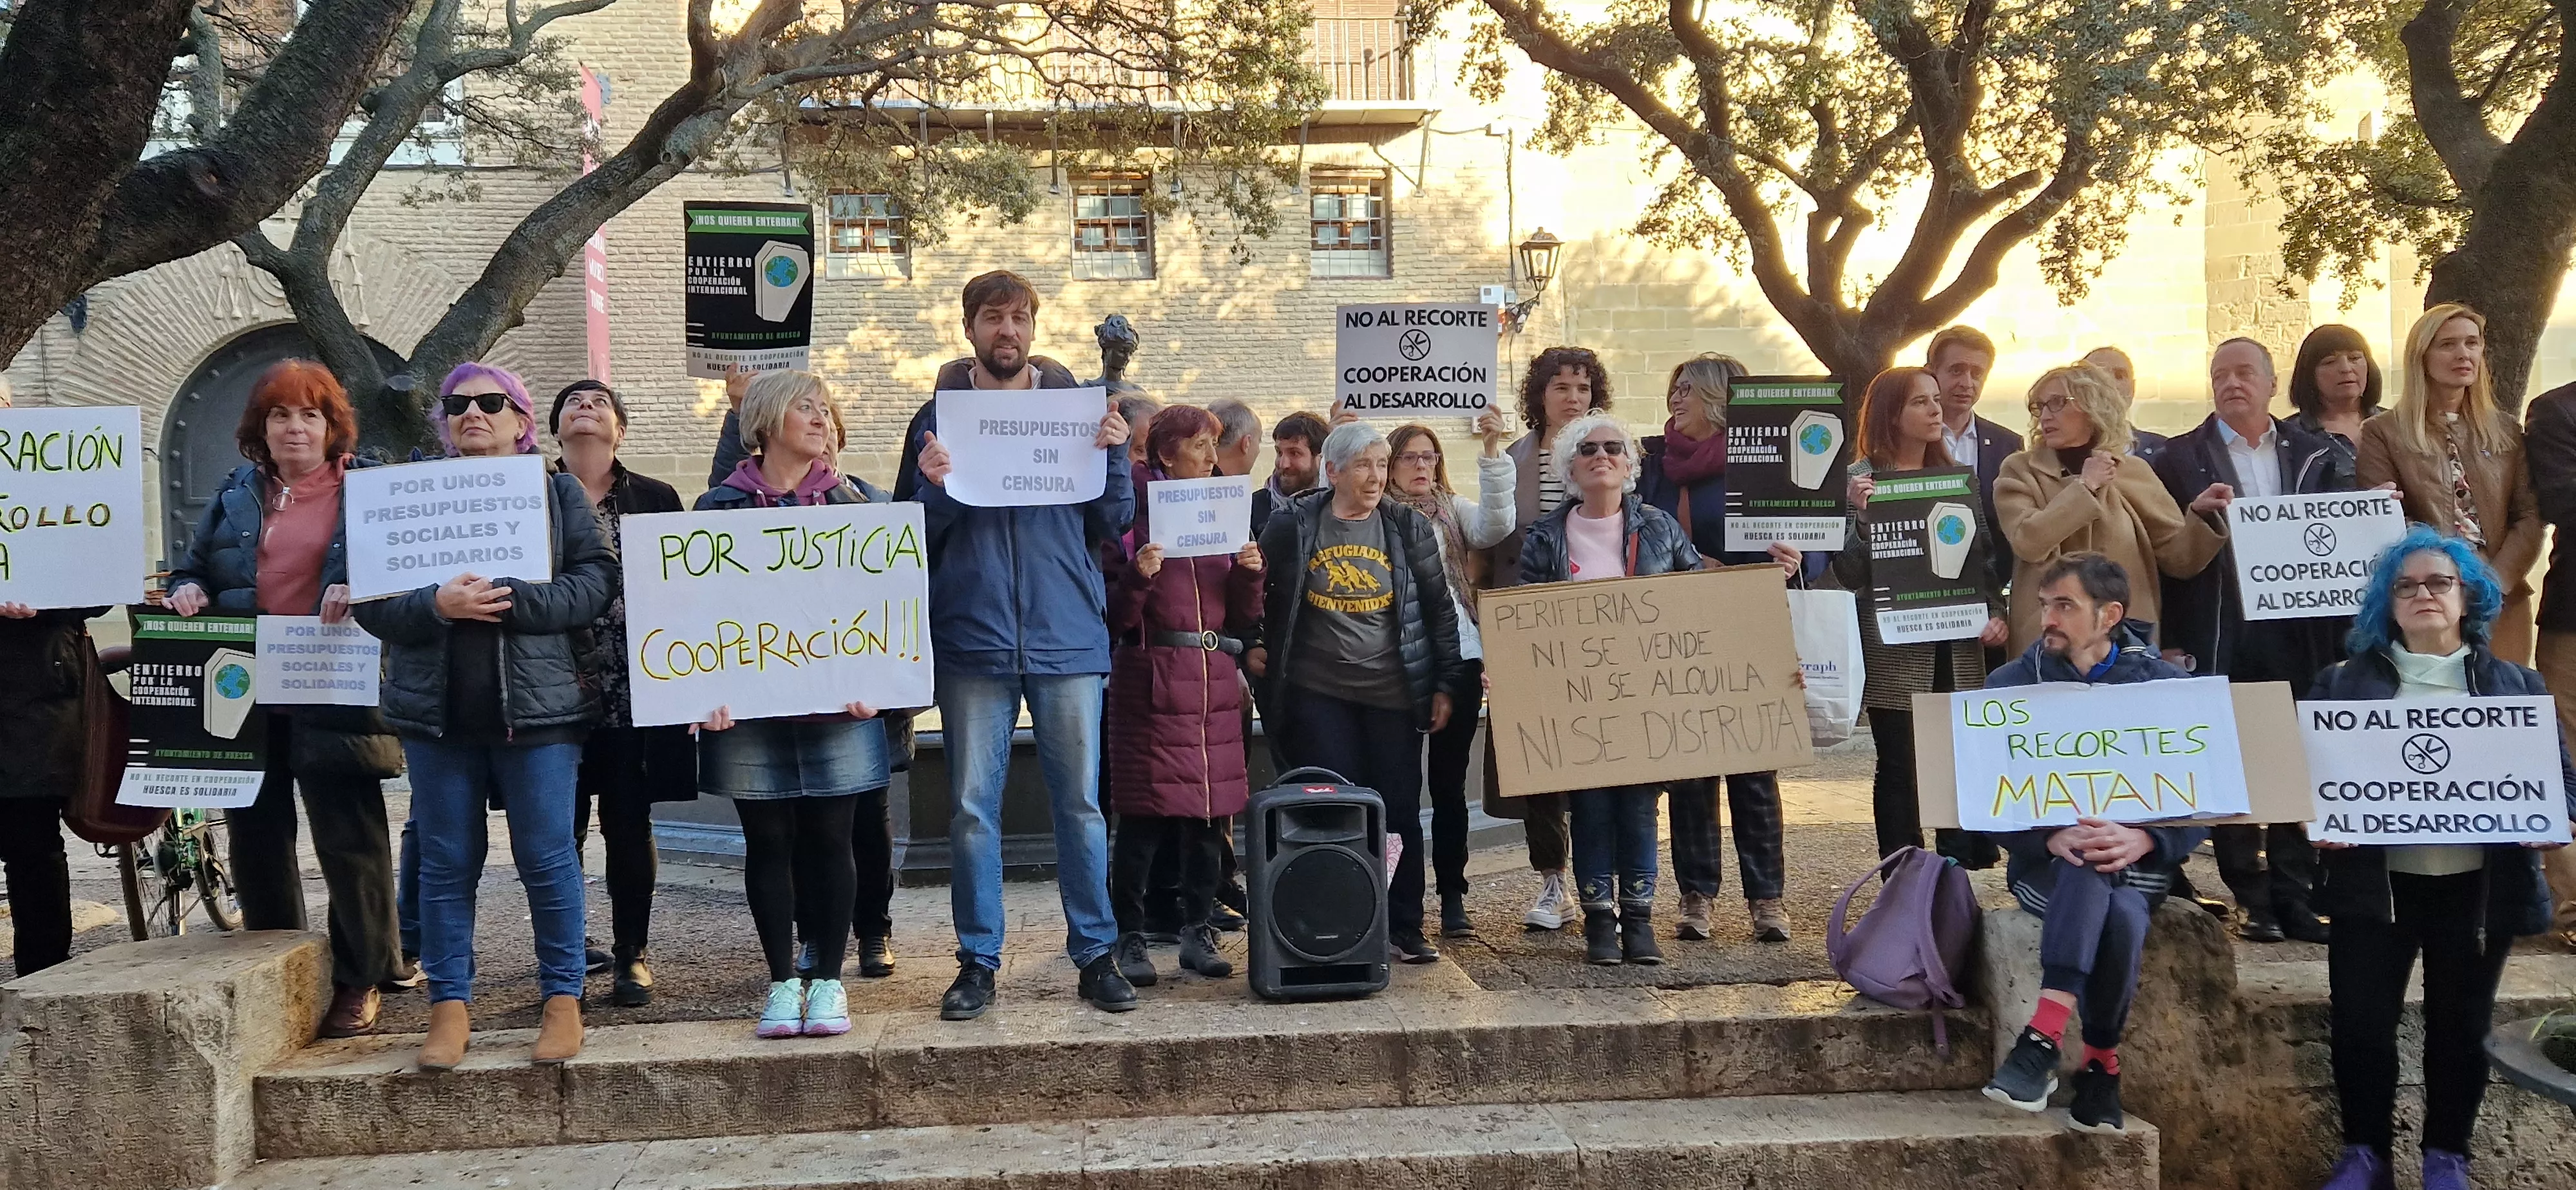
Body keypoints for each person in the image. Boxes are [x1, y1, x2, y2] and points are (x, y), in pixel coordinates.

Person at [352, 362, 618, 1072]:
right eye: (459, 404)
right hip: (436, 715)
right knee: (444, 862)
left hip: (539, 712)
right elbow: (370, 600)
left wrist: (511, 600)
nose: (474, 414)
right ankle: (449, 1005)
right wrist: (434, 607)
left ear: (521, 419)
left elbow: (595, 581)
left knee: (547, 856)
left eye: (491, 403)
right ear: (444, 421)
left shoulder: (556, 491)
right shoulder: (407, 496)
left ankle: (562, 998)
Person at [896, 270, 1139, 1019]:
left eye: (1020, 318)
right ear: (968, 328)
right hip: (973, 639)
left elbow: (1115, 522)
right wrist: (931, 487)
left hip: (1067, 635)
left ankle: (1096, 955)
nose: (1008, 331)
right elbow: (910, 540)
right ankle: (977, 961)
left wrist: (1116, 452)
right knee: (971, 808)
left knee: (1080, 806)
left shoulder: (1078, 411)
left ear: (1034, 328)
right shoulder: (935, 418)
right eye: (993, 318)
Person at [2307, 529, 2575, 1190]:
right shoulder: (2339, 686)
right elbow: (2302, 781)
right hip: (2375, 886)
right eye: (2406, 586)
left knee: (2461, 1027)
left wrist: (2556, 817)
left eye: (2438, 583)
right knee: (2360, 1025)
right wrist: (2315, 821)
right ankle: (2364, 1154)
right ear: (2385, 605)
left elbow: (2562, 781)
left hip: (2478, 891)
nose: (2423, 594)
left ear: (2467, 596)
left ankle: (2445, 1156)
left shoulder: (2516, 684)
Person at [166, 359, 404, 1037]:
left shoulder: (367, 490)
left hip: (333, 681)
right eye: (280, 415)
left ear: (332, 427)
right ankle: (275, 966)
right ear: (260, 428)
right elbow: (194, 564)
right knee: (256, 834)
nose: (294, 427)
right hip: (244, 688)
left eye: (309, 414)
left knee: (348, 835)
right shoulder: (236, 491)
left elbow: (400, 566)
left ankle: (362, 976)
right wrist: (187, 588)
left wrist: (361, 582)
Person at [692, 370, 893, 1040]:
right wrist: (702, 690)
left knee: (833, 838)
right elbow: (695, 615)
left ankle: (830, 981)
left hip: (841, 707)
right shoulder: (718, 509)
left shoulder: (858, 507)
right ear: (767, 418)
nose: (820, 418)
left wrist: (882, 680)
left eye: (825, 410)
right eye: (805, 407)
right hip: (748, 713)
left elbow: (886, 605)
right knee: (767, 841)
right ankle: (782, 983)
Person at [1980, 552, 2206, 1136]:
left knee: (2118, 892)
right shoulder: (2008, 687)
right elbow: (1981, 798)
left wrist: (2145, 838)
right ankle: (2101, 1063)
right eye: (2044, 605)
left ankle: (2042, 1041)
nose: (2048, 618)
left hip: (2142, 864)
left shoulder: (2168, 687)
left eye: (2065, 606)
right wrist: (2048, 834)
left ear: (2110, 615)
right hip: (2047, 868)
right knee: (2102, 888)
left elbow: (2209, 799)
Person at [2148, 339, 2347, 945]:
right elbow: (2166, 557)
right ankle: (2252, 897)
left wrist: (2375, 514)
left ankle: (2296, 894)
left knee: (2295, 757)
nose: (2231, 384)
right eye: (2219, 375)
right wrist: (2175, 638)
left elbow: (2342, 535)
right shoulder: (2179, 458)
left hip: (2300, 632)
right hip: (2221, 627)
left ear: (2269, 382)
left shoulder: (2318, 454)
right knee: (2230, 758)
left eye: (2243, 373)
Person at [1257, 420, 1466, 963]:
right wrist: (1251, 650)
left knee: (1397, 809)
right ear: (1333, 471)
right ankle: (1338, 922)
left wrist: (1444, 682)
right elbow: (1262, 598)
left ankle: (1404, 924)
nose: (1375, 477)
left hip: (1391, 694)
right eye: (1362, 466)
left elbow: (1439, 609)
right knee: (1335, 807)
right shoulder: (1294, 525)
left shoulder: (1406, 527)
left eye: (1380, 465)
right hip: (1317, 692)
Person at [1637, 353, 1799, 940]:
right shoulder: (1654, 462)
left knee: (1755, 768)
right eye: (1673, 388)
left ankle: (1767, 901)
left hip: (1752, 621)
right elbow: (1639, 532)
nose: (1675, 399)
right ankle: (1696, 897)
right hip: (1680, 628)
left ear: (1720, 398)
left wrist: (1794, 559)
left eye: (1688, 390)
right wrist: (1685, 563)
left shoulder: (1765, 463)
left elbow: (1816, 542)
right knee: (1691, 770)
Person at [548, 379, 697, 1006]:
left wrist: (695, 683)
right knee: (560, 832)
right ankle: (567, 948)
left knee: (629, 825)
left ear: (621, 430)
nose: (586, 407)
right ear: (554, 428)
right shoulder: (530, 499)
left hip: (637, 691)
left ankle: (633, 953)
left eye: (600, 402)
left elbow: (689, 595)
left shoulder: (657, 498)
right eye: (573, 402)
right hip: (554, 693)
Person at [1106, 405, 1266, 987]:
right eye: (1199, 445)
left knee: (1208, 818)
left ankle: (1199, 930)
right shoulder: (1133, 520)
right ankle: (1129, 935)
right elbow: (1115, 620)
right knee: (1144, 822)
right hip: (1153, 680)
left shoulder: (1224, 516)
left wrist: (1250, 573)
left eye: (1213, 445)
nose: (1208, 456)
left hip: (1212, 683)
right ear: (1168, 454)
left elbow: (1245, 617)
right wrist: (1139, 575)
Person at [1828, 366, 2010, 862]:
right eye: (1920, 402)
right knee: (1901, 766)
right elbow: (1843, 575)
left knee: (1957, 758)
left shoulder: (1957, 479)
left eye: (1935, 400)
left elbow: (1984, 559)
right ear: (1891, 413)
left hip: (1957, 642)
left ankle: (1961, 868)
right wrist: (1862, 521)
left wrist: (1995, 612)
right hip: (1893, 644)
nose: (1936, 410)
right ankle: (1904, 874)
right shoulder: (1854, 482)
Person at [1488, 346, 1613, 932]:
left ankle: (1603, 882)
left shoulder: (1613, 452)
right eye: (1560, 386)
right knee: (1538, 762)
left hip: (1598, 630)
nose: (1572, 398)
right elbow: (1493, 540)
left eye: (1583, 388)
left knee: (1599, 761)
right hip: (1528, 625)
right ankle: (1551, 882)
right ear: (1539, 394)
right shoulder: (1513, 458)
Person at [1993, 362, 2227, 652]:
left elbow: (2179, 559)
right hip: (2047, 641)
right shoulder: (2020, 470)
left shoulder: (2133, 471)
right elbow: (2028, 541)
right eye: (2039, 407)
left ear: (2093, 406)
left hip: (2126, 640)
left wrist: (2201, 516)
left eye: (2057, 403)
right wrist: (2084, 488)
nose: (2046, 416)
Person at [1385, 414, 1513, 938]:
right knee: (1394, 787)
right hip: (1394, 661)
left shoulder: (1451, 510)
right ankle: (1395, 898)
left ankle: (1453, 894)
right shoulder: (1377, 514)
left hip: (1457, 654)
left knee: (1448, 787)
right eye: (1411, 457)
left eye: (1430, 455)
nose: (1423, 465)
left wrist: (1490, 450)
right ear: (1390, 465)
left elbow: (1496, 525)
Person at [2358, 303, 2543, 665]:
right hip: (2427, 599)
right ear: (2422, 357)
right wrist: (2448, 574)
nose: (2463, 354)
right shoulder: (2384, 433)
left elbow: (2530, 516)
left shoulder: (2505, 430)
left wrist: (2494, 581)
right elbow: (2388, 519)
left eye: (2472, 343)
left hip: (2503, 598)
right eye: (2448, 345)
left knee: (2505, 704)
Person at [2515, 370, 2576, 949]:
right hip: (2574, 619)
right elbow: (2563, 500)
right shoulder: (2558, 411)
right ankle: (2575, 909)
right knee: (2564, 761)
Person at [1927, 325, 2024, 594]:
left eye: (1977, 373)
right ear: (1932, 371)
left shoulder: (2008, 445)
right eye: (1956, 370)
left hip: (1986, 593)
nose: (1967, 383)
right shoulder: (1907, 441)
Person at [2286, 324, 2382, 488]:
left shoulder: (2397, 425)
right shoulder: (2290, 436)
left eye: (2354, 358)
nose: (2346, 369)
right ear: (2310, 374)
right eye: (2330, 362)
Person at [2081, 345, 2170, 464]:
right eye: (2097, 376)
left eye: (2119, 376)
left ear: (2132, 388)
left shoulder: (2165, 451)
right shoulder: (2059, 454)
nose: (2110, 383)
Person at [1253, 410, 1328, 540]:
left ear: (1319, 458)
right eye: (1279, 453)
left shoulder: (1334, 509)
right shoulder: (1254, 508)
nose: (1283, 464)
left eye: (1294, 453)